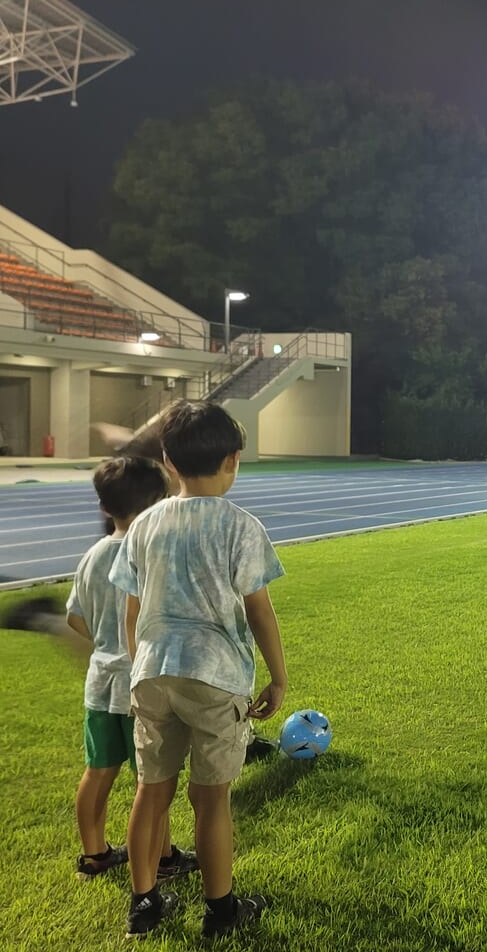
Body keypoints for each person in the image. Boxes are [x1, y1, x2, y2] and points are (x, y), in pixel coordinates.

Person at [110, 401, 288, 939]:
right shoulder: (241, 527)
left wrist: (141, 661)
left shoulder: (144, 524)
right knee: (211, 799)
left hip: (153, 671)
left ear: (168, 461)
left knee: (151, 789)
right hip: (216, 676)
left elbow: (132, 610)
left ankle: (144, 903)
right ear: (234, 460)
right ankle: (221, 911)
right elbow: (259, 609)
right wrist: (278, 678)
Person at [66, 456, 198, 884]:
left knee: (98, 770)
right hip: (141, 682)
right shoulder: (150, 553)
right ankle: (161, 860)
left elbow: (75, 618)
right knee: (152, 782)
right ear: (160, 503)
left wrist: (104, 644)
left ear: (105, 507)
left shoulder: (92, 556)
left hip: (100, 682)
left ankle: (95, 854)